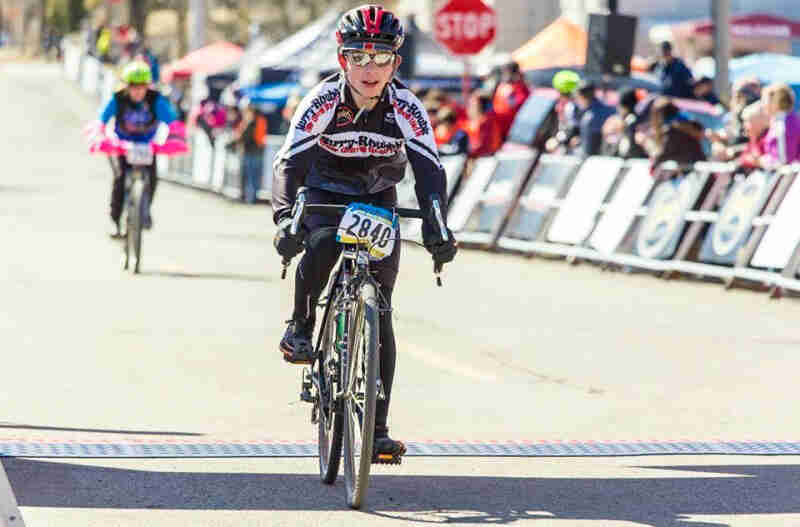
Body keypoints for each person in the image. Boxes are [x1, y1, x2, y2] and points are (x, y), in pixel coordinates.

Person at [272, 5, 457, 459]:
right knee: (318, 243)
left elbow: (430, 169)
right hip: (325, 188)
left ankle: (377, 429)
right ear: (342, 60)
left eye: (380, 57)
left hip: (377, 196)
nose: (369, 68)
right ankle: (300, 324)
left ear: (397, 62)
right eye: (358, 57)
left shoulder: (406, 106)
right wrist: (283, 219)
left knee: (383, 310)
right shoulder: (321, 100)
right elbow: (288, 164)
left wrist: (437, 222)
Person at [95, 61, 186, 236]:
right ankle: (115, 220)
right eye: (133, 87)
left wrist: (175, 138)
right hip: (122, 147)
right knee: (120, 179)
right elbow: (102, 120)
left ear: (147, 86)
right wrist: (100, 135)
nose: (138, 91)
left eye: (142, 87)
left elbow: (173, 122)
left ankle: (144, 211)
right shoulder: (118, 99)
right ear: (126, 86)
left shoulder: (156, 100)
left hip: (146, 147)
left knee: (152, 178)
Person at [645, 96, 706, 170]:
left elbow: (663, 156)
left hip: (695, 170)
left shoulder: (671, 134)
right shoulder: (689, 122)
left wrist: (654, 162)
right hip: (701, 164)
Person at [231, 98, 267, 203]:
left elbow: (258, 138)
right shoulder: (245, 121)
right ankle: (245, 196)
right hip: (247, 151)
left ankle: (252, 197)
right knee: (245, 175)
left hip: (255, 151)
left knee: (253, 175)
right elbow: (239, 135)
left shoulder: (258, 120)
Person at [759, 82, 800, 169]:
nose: (762, 105)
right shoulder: (781, 120)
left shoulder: (785, 122)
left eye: (764, 100)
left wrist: (762, 161)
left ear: (776, 101)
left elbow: (784, 160)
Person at [492, 61, 531, 142]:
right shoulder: (501, 85)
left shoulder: (520, 88)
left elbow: (520, 104)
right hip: (499, 128)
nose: (505, 75)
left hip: (513, 130)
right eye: (504, 72)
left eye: (507, 72)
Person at [464, 91, 502, 157]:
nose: (468, 108)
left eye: (472, 105)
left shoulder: (484, 123)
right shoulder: (482, 121)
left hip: (484, 160)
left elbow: (482, 148)